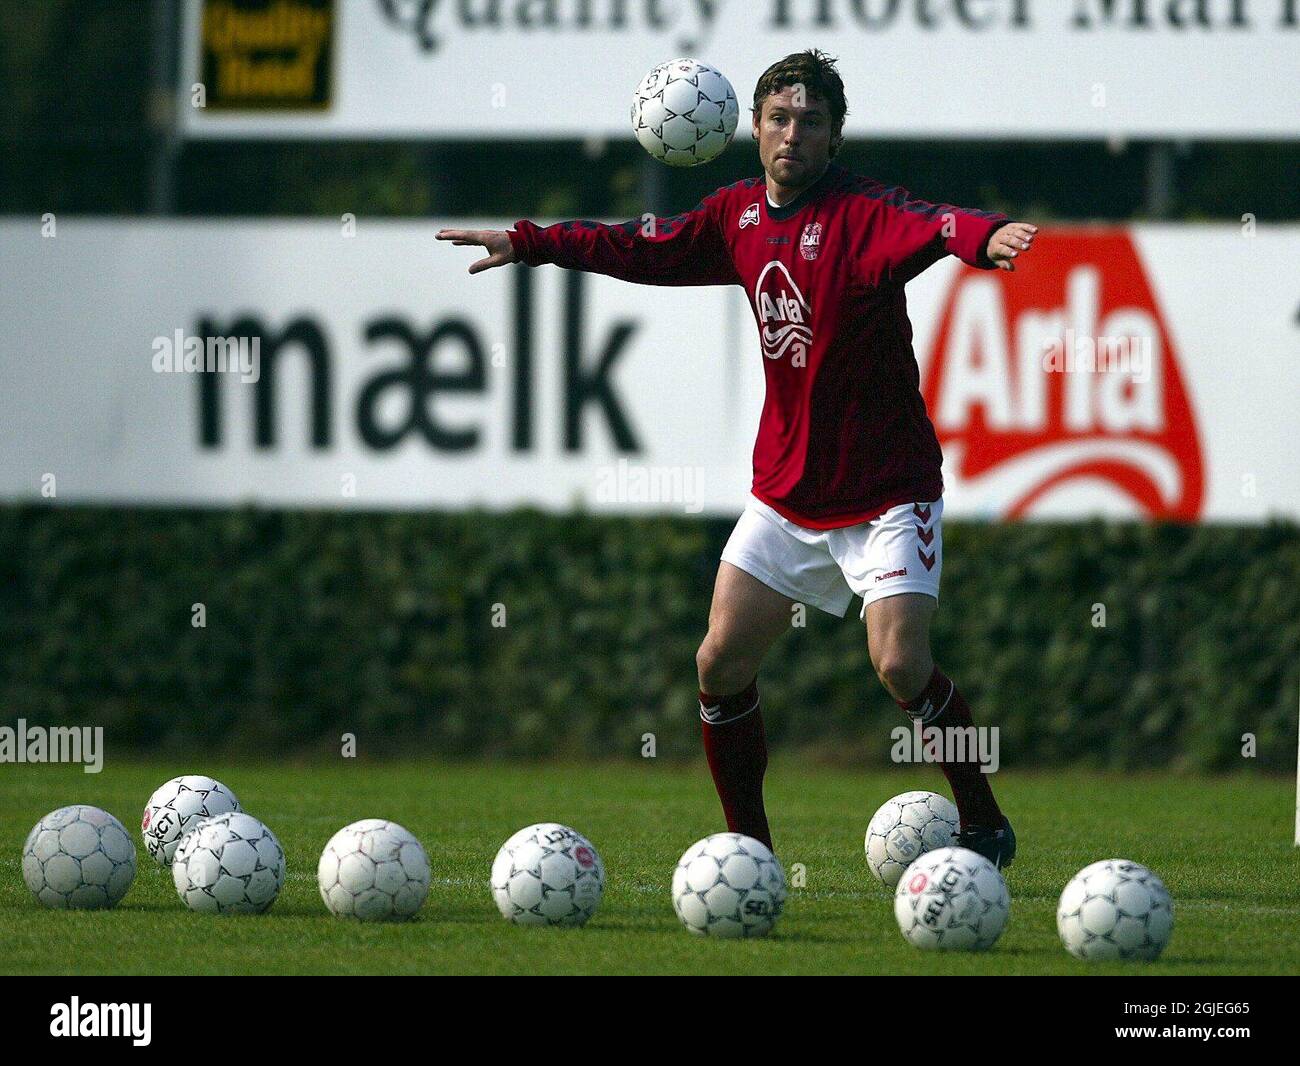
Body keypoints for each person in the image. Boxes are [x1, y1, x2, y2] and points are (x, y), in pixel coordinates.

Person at [437, 49, 1037, 868]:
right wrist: (531, 241)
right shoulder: (737, 217)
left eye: (812, 122)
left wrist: (985, 236)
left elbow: (933, 221)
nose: (794, 134)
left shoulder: (863, 214)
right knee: (718, 663)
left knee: (902, 665)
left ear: (834, 137)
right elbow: (641, 247)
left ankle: (983, 822)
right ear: (752, 127)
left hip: (887, 492)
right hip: (786, 494)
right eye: (780, 118)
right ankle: (749, 848)